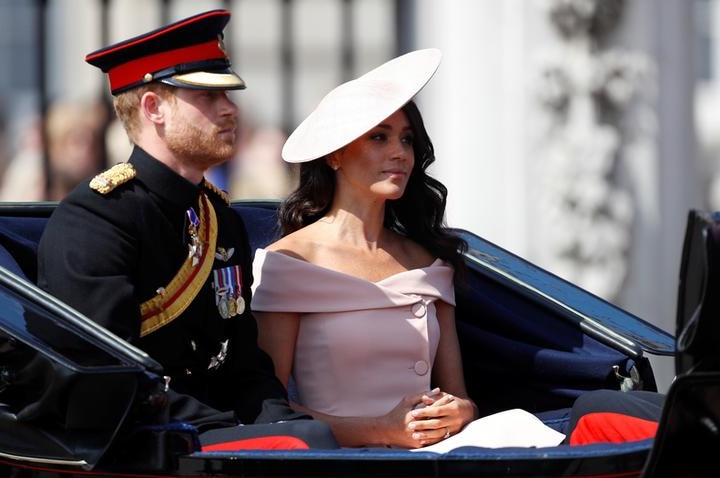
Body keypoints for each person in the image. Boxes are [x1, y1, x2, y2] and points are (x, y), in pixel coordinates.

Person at [37, 9, 337, 451]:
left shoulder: (219, 219)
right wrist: (239, 429)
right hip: (144, 437)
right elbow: (103, 375)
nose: (230, 109)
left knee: (311, 440)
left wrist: (277, 421)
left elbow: (244, 363)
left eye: (228, 95)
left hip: (202, 430)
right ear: (153, 108)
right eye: (207, 97)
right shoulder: (97, 218)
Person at [251, 49, 569, 450]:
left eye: (406, 139)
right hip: (339, 464)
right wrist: (381, 429)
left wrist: (460, 412)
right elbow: (271, 412)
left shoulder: (428, 262)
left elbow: (460, 396)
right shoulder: (289, 263)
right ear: (334, 154)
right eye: (379, 137)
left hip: (436, 457)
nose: (399, 153)